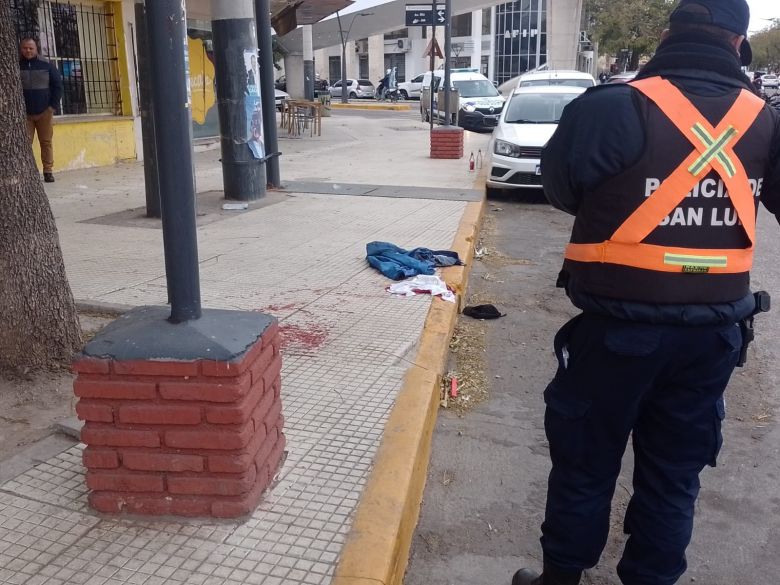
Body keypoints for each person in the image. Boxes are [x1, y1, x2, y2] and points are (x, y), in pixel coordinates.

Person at [513, 0, 780, 584]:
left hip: (615, 334)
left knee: (585, 464)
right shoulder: (766, 121)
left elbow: (560, 191)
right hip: (712, 340)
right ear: (740, 44)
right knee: (673, 475)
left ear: (666, 34)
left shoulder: (610, 107)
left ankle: (560, 578)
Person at [19, 37, 62, 183]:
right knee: (24, 144)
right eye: (25, 48)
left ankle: (48, 171)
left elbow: (58, 87)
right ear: (21, 49)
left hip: (45, 112)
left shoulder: (47, 65)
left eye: (31, 48)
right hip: (25, 115)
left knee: (46, 142)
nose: (28, 51)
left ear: (36, 48)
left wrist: (52, 108)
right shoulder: (16, 65)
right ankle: (28, 173)